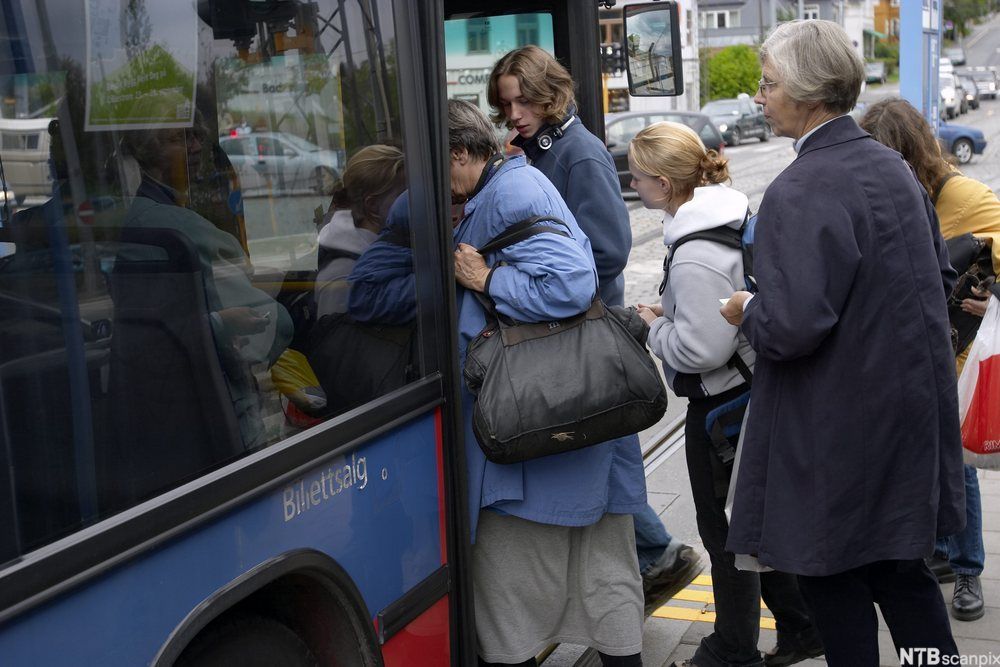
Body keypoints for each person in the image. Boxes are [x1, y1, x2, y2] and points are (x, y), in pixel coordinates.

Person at [719, 21, 965, 665]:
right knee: (901, 573)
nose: (758, 96)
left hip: (838, 424)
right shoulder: (892, 166)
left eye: (768, 84)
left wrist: (747, 308)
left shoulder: (800, 188)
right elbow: (933, 280)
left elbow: (792, 327)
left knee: (830, 576)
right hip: (907, 409)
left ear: (807, 93)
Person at [487, 44, 700, 612]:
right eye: (505, 104)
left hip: (584, 330)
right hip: (567, 329)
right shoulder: (531, 151)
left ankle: (654, 556)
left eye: (523, 101)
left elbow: (609, 249)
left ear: (549, 94)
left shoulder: (578, 154)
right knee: (608, 445)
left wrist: (527, 275)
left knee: (608, 444)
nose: (514, 114)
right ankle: (653, 555)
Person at [447, 98, 645, 667]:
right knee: (603, 584)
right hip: (565, 422)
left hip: (533, 430)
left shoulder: (511, 192)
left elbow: (572, 285)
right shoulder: (507, 186)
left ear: (460, 153)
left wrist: (487, 278)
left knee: (511, 600)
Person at [630, 122, 821, 667]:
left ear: (664, 184)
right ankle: (804, 628)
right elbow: (719, 312)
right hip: (756, 392)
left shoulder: (692, 253)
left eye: (639, 176)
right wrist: (678, 313)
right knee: (756, 522)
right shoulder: (729, 214)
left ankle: (733, 647)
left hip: (723, 409)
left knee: (726, 533)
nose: (634, 185)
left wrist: (653, 328)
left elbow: (700, 351)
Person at [860, 96, 1000, 623]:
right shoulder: (896, 194)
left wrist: (996, 295)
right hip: (912, 346)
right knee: (923, 456)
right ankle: (939, 553)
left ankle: (967, 568)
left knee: (954, 460)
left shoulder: (962, 194)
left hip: (956, 346)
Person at [315, 144, 406, 317]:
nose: (411, 203)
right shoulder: (342, 276)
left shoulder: (385, 250)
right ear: (372, 206)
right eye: (402, 196)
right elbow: (342, 338)